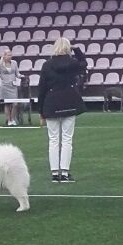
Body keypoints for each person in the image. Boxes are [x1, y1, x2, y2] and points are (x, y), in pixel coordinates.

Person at [38, 37, 87, 183]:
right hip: (69, 101)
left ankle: (54, 173)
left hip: (51, 103)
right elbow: (84, 63)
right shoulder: (72, 63)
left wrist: (40, 110)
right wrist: (76, 49)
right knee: (67, 139)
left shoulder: (46, 65)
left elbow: (42, 88)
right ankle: (65, 173)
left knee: (53, 140)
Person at [0, 49, 22, 126]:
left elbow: (17, 73)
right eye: (8, 55)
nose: (10, 56)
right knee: (7, 104)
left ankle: (13, 119)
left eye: (11, 55)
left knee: (15, 104)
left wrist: (20, 76)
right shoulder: (0, 64)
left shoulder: (14, 63)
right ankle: (9, 120)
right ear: (4, 56)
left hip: (13, 86)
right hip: (4, 86)